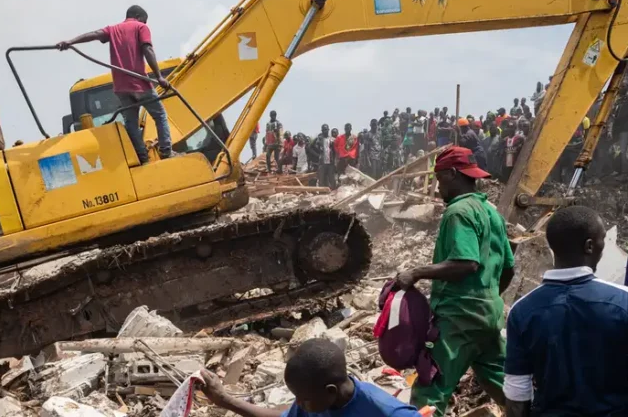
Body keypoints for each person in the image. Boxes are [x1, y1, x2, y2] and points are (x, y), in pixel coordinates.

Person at [396, 147, 514, 416]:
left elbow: (466, 262)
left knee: (430, 386)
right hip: (489, 315)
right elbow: (508, 267)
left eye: (439, 180)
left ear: (451, 174)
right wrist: (488, 297)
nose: (439, 188)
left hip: (458, 318)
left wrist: (416, 273)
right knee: (505, 385)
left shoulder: (458, 212)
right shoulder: (490, 212)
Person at [505, 206, 628, 417]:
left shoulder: (522, 311)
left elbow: (517, 394)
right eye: (602, 240)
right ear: (589, 246)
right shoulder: (622, 302)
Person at [57, 5, 172, 164]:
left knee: (131, 123)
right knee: (160, 115)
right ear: (139, 17)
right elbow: (148, 50)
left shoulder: (113, 29)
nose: (146, 24)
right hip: (139, 83)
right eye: (145, 21)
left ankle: (142, 157)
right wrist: (159, 77)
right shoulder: (141, 27)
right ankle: (166, 152)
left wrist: (70, 42)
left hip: (121, 87)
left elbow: (94, 34)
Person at [200, 338, 423, 417]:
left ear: (330, 391)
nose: (298, 403)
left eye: (303, 398)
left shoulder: (385, 411)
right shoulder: (317, 403)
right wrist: (225, 400)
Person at [312, 124, 337, 189]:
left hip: (330, 162)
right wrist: (317, 155)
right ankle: (321, 193)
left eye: (326, 130)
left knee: (332, 178)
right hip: (322, 163)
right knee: (321, 179)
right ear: (322, 131)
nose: (325, 131)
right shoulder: (319, 139)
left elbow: (335, 151)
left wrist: (334, 161)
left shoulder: (332, 139)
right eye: (323, 130)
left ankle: (334, 193)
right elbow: (311, 147)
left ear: (328, 130)